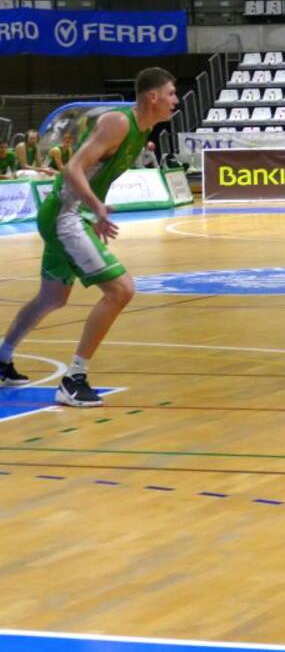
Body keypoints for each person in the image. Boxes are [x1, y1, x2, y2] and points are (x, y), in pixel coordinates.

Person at [0, 68, 179, 405]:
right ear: (152, 96)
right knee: (121, 290)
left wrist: (93, 208)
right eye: (171, 93)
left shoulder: (144, 129)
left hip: (70, 213)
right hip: (64, 213)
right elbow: (72, 168)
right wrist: (96, 206)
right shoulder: (119, 123)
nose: (175, 100)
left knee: (52, 298)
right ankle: (73, 379)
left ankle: (2, 356)